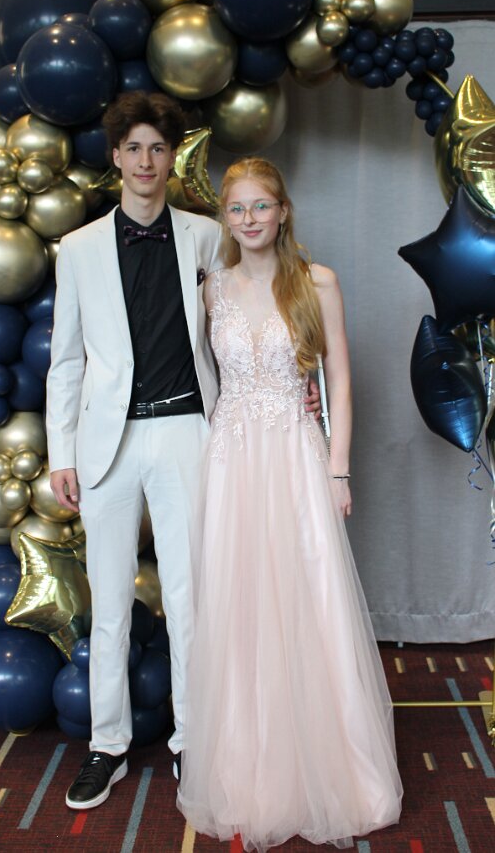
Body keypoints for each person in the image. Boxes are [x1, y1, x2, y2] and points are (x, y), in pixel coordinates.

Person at [46, 92, 321, 811]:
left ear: (174, 159)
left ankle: (193, 741)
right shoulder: (77, 249)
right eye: (133, 147)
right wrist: (60, 453)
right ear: (116, 157)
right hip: (104, 444)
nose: (146, 160)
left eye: (158, 148)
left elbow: (266, 297)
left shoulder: (207, 236)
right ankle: (107, 745)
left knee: (193, 599)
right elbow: (65, 361)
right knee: (108, 604)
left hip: (188, 433)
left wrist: (299, 381)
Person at [177, 158, 403, 851]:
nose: (249, 219)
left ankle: (337, 771)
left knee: (311, 599)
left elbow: (339, 378)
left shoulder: (317, 281)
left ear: (282, 211)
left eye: (261, 206)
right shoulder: (209, 290)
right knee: (241, 605)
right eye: (236, 208)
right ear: (225, 217)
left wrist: (338, 471)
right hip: (232, 460)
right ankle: (251, 771)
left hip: (296, 456)